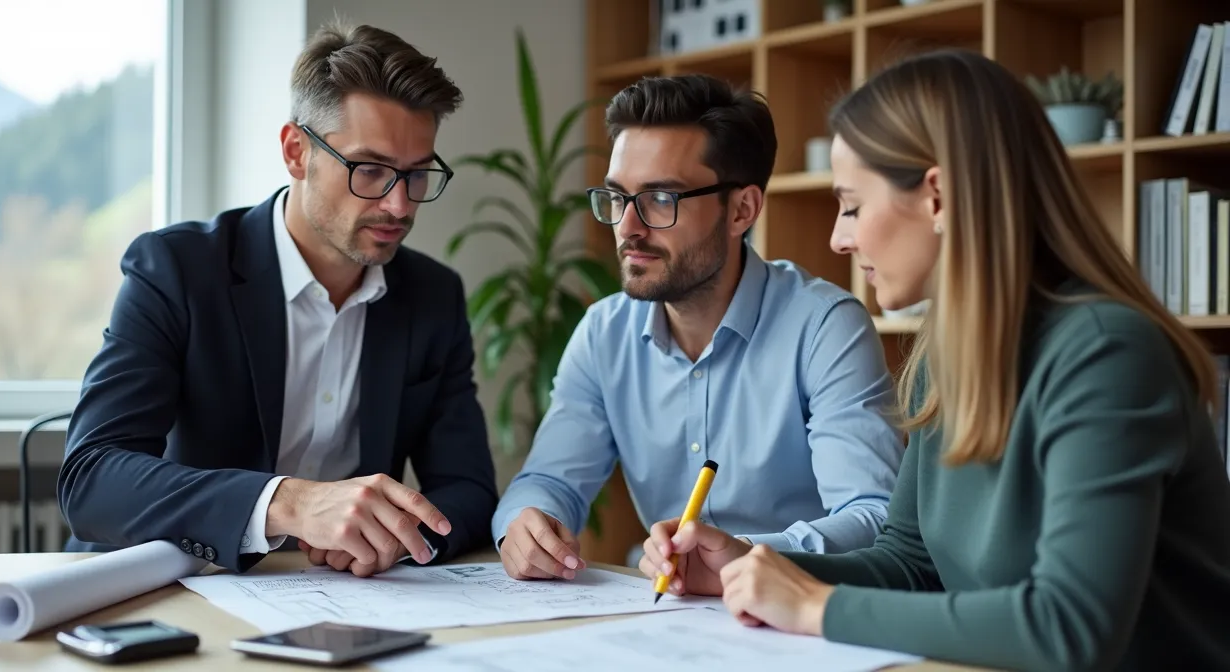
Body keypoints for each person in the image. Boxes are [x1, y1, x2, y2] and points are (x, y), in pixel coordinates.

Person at [636, 49, 1230, 671]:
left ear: (939, 196)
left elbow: (1069, 627)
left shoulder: (1108, 354)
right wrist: (746, 568)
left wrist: (814, 607)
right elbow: (911, 564)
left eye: (853, 205)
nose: (840, 237)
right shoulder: (942, 356)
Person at [58, 23, 498, 578]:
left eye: (416, 175)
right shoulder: (177, 270)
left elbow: (468, 489)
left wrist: (398, 536)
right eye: (370, 170)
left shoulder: (433, 296)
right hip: (166, 588)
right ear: (296, 152)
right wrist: (288, 503)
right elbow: (92, 480)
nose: (400, 205)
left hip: (343, 596)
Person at [492, 73, 905, 582]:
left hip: (799, 619)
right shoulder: (604, 332)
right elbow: (547, 479)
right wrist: (527, 524)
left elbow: (874, 516)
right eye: (618, 197)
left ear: (742, 210)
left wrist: (749, 556)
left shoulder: (825, 328)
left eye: (661, 199)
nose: (627, 227)